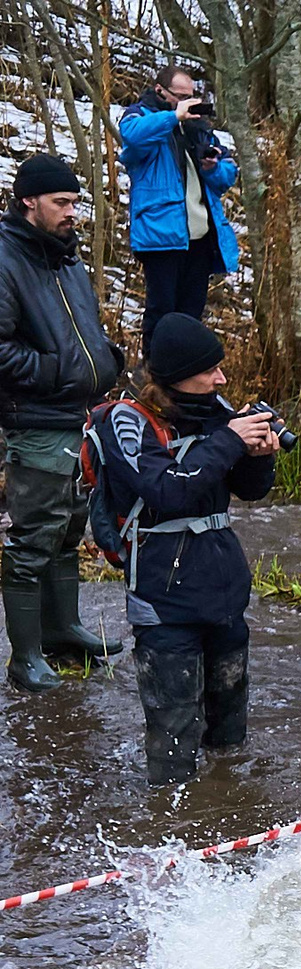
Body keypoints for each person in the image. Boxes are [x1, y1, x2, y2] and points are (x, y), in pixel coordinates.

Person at [94, 314, 278, 783]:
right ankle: (171, 828)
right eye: (211, 370)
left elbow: (250, 491)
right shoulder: (126, 420)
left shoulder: (215, 412)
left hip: (224, 595)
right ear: (177, 374)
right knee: (174, 740)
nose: (222, 379)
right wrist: (229, 440)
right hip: (164, 602)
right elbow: (167, 491)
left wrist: (258, 454)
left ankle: (229, 809)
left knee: (230, 739)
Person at [0, 153, 126, 692]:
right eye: (62, 202)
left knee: (69, 530)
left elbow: (85, 331)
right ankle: (25, 657)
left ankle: (64, 631)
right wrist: (58, 372)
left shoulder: (67, 259)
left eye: (76, 202)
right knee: (31, 540)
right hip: (35, 420)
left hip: (80, 416)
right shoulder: (6, 259)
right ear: (29, 201)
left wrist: (108, 359)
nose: (72, 212)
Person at [117, 66, 239, 344]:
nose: (188, 102)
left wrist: (211, 167)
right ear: (160, 90)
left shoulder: (199, 130)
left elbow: (228, 174)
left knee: (190, 315)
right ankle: (153, 376)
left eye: (192, 96)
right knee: (161, 313)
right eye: (181, 96)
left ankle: (182, 376)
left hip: (200, 236)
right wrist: (174, 117)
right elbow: (132, 136)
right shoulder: (141, 116)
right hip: (161, 234)